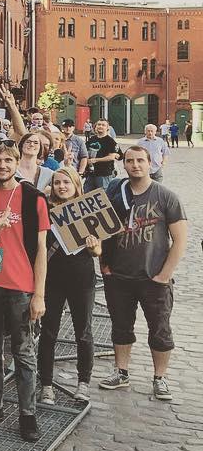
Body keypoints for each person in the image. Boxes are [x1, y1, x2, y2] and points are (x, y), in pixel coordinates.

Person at [0, 145, 49, 442]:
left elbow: (41, 249)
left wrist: (39, 294)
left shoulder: (32, 198)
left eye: (7, 160)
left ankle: (28, 414)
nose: (2, 165)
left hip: (20, 286)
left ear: (17, 163)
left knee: (23, 351)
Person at [98, 146, 187, 401]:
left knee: (159, 329)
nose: (135, 165)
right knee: (120, 326)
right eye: (130, 161)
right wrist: (104, 264)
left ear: (150, 163)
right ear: (124, 164)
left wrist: (165, 274)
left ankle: (160, 378)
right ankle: (121, 372)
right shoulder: (115, 193)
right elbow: (99, 230)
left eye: (140, 160)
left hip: (153, 277)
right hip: (119, 276)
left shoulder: (166, 196)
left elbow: (180, 239)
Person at [38, 168, 100, 404]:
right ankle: (46, 385)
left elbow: (98, 251)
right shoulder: (45, 210)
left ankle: (83, 382)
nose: (61, 186)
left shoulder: (87, 209)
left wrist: (93, 246)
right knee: (48, 332)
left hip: (81, 278)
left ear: (76, 184)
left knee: (83, 332)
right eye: (57, 182)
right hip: (52, 280)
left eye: (66, 182)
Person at [83, 119, 121, 193]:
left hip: (104, 174)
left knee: (103, 195)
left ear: (107, 128)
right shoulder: (91, 139)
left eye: (103, 125)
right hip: (90, 174)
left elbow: (113, 156)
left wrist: (96, 160)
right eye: (99, 124)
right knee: (87, 194)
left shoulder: (111, 141)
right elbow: (84, 152)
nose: (100, 126)